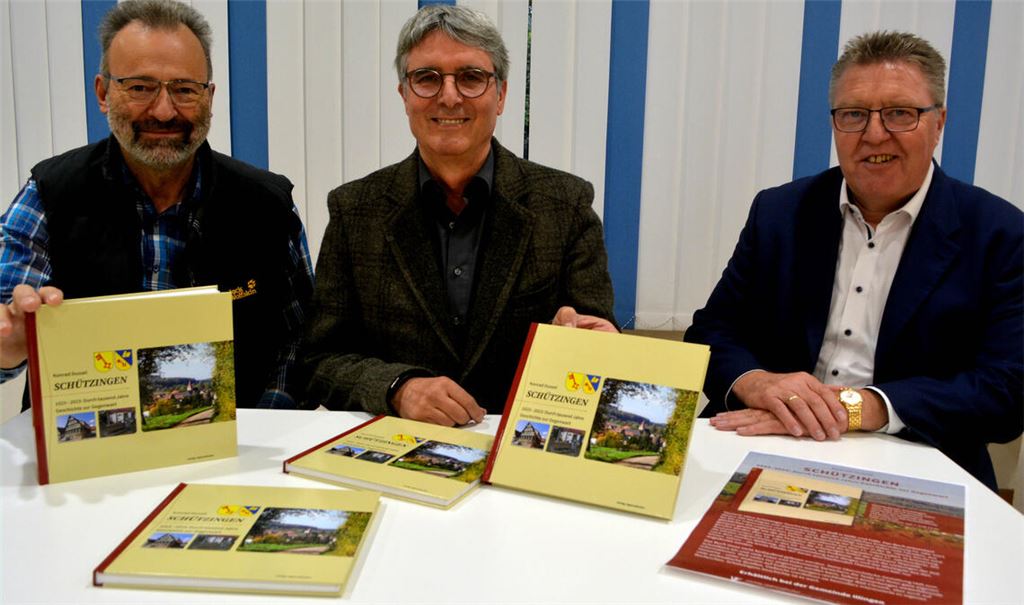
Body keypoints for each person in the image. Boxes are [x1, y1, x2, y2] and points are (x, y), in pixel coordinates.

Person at [684, 31, 1022, 491]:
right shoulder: (780, 211)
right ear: (835, 123)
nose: (874, 134)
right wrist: (756, 381)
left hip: (918, 458)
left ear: (939, 123)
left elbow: (1007, 392)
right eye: (854, 115)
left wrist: (862, 406)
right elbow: (711, 332)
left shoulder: (1000, 233)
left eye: (900, 113)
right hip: (765, 444)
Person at [304, 5, 616, 426]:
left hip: (519, 452)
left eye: (470, 77)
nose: (449, 96)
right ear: (404, 95)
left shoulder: (565, 204)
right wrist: (398, 388)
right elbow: (320, 361)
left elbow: (603, 347)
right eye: (427, 78)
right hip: (399, 451)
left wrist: (590, 340)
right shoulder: (354, 210)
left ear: (501, 95)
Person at [0, 0, 314, 409]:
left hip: (234, 451)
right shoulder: (50, 194)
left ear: (209, 98)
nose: (164, 111)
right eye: (140, 87)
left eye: (184, 89)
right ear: (103, 93)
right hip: (88, 457)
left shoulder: (268, 205)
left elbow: (301, 339)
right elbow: (8, 329)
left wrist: (270, 418)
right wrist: (9, 350)